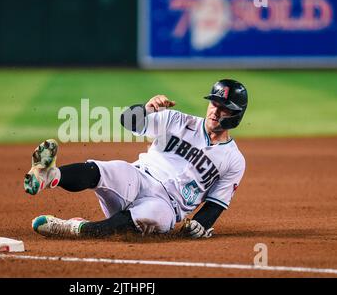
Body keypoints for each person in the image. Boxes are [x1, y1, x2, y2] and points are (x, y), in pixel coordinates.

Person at [24, 79, 248, 239]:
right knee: (106, 170)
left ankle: (73, 229)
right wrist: (146, 109)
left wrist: (201, 224)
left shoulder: (234, 160)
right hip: (139, 176)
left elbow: (216, 203)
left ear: (236, 115)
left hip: (167, 205)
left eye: (224, 109)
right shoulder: (176, 120)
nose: (215, 112)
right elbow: (128, 121)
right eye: (214, 104)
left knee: (150, 215)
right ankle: (49, 175)